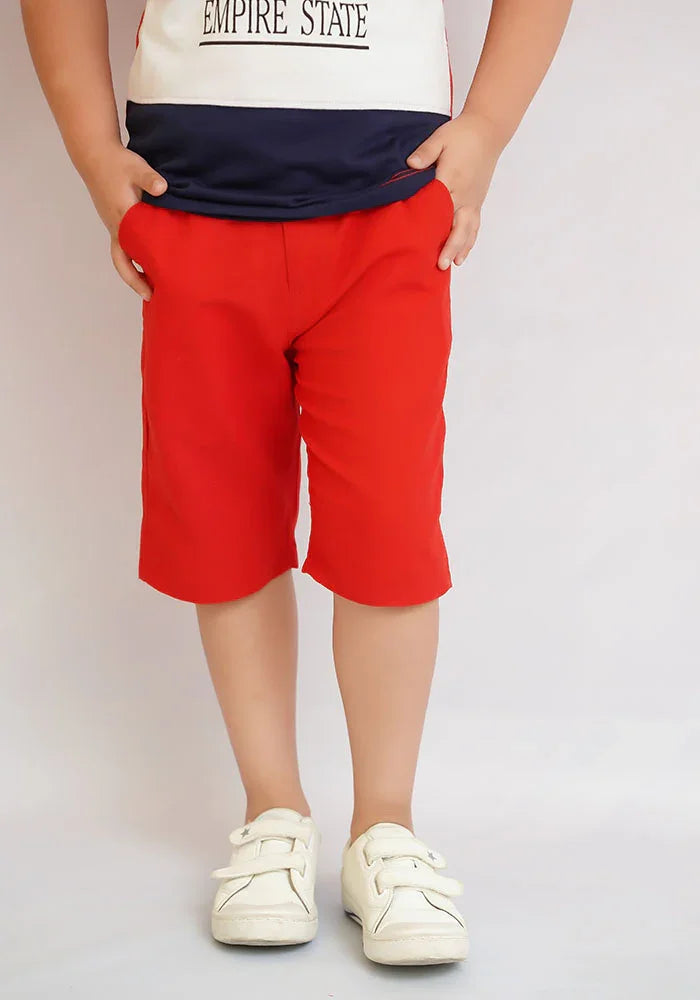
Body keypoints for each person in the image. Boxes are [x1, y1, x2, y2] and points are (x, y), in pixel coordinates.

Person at [22, 0, 572, 967]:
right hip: (191, 209)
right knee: (223, 522)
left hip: (388, 213)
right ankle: (273, 813)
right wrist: (94, 155)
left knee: (389, 527)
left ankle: (385, 828)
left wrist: (485, 128)